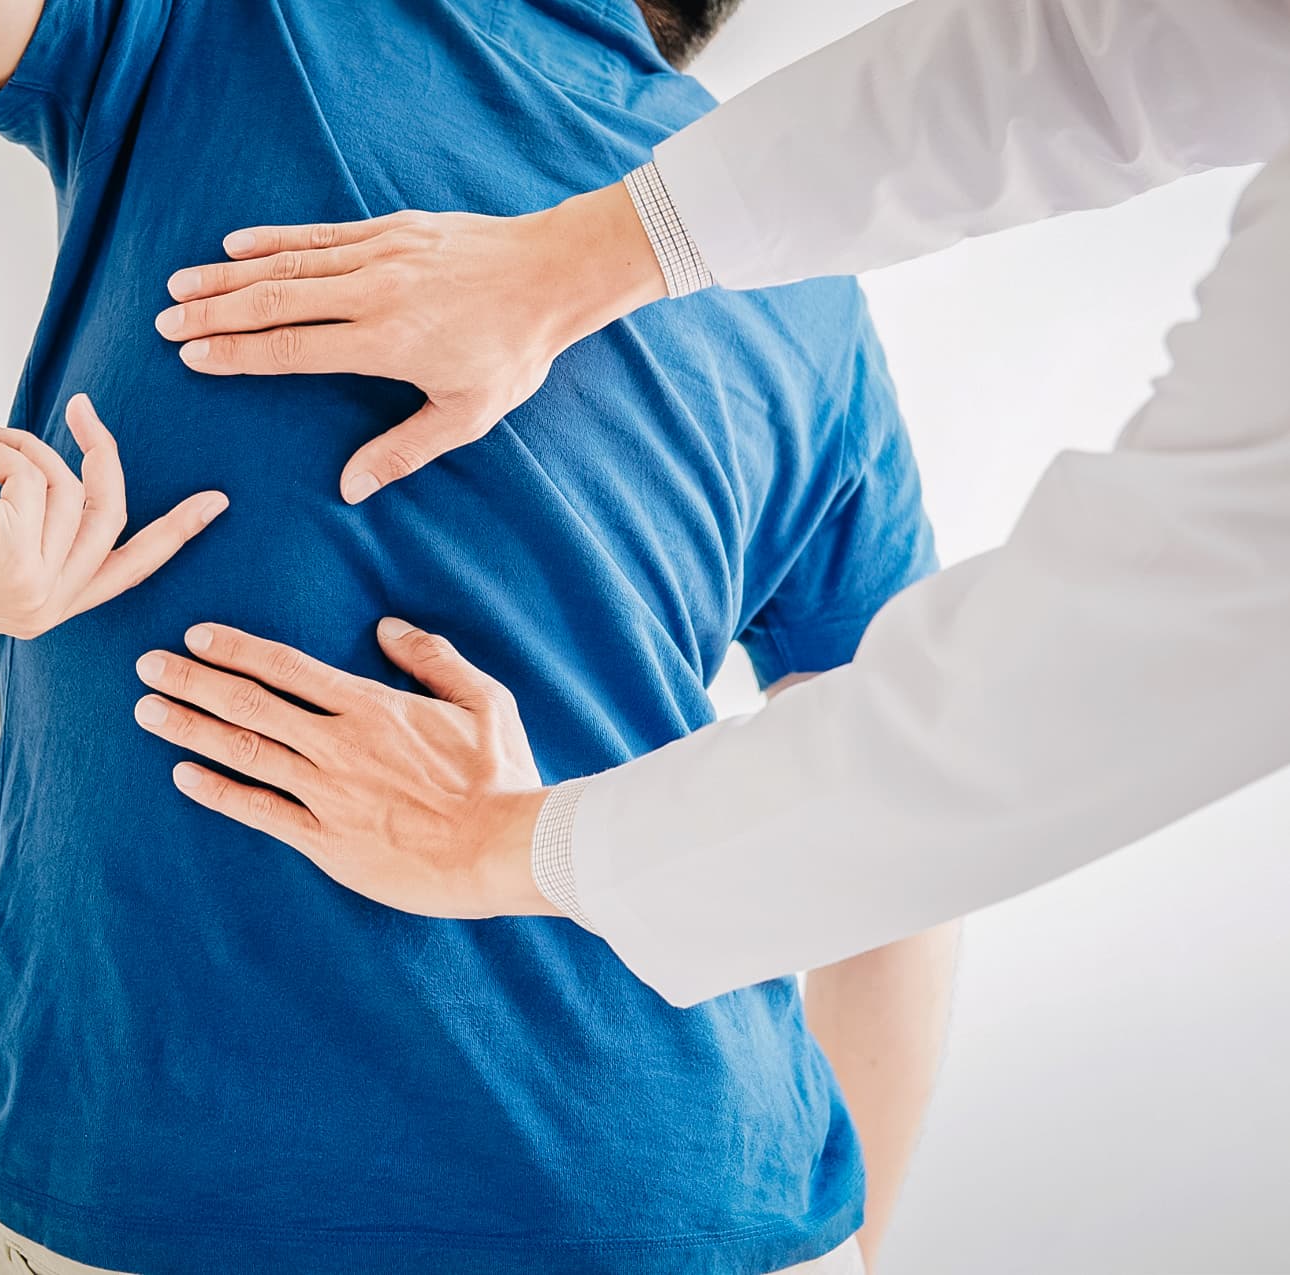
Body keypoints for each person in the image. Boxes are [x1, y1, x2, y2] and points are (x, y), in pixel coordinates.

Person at [0, 1, 959, 1273]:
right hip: (699, 1188)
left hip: (178, 1181)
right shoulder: (789, 259)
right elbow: (914, 807)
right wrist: (851, 1244)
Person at [145, 0, 1290, 1007]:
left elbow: (1094, 686)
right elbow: (1095, 54)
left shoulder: (821, 320)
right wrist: (581, 257)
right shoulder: (262, 31)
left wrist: (505, 847)